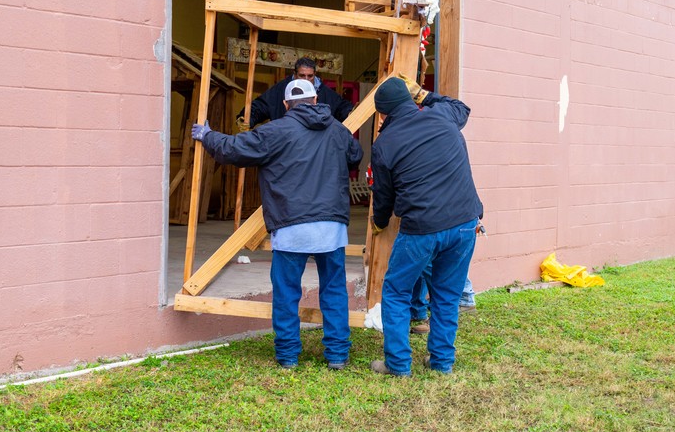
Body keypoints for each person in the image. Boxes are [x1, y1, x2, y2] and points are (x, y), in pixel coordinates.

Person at [193, 78, 363, 371]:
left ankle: (288, 356)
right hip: (331, 227)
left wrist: (208, 136)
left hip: (290, 225)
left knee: (286, 292)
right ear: (315, 100)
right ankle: (337, 355)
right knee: (334, 290)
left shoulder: (274, 131)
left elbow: (234, 149)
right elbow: (355, 156)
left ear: (286, 105)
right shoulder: (338, 130)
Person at [368, 76, 484, 376]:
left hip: (421, 228)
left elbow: (384, 196)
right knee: (446, 295)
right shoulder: (442, 115)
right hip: (465, 223)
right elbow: (461, 107)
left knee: (396, 292)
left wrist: (379, 223)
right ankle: (441, 362)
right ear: (411, 100)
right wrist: (425, 94)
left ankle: (397, 364)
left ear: (382, 114)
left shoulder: (384, 144)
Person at [240, 57, 353, 127]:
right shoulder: (281, 89)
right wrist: (247, 118)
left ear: (315, 75)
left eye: (310, 76)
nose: (306, 79)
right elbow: (261, 106)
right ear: (294, 74)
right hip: (286, 142)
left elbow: (341, 107)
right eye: (302, 75)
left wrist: (350, 113)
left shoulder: (324, 92)